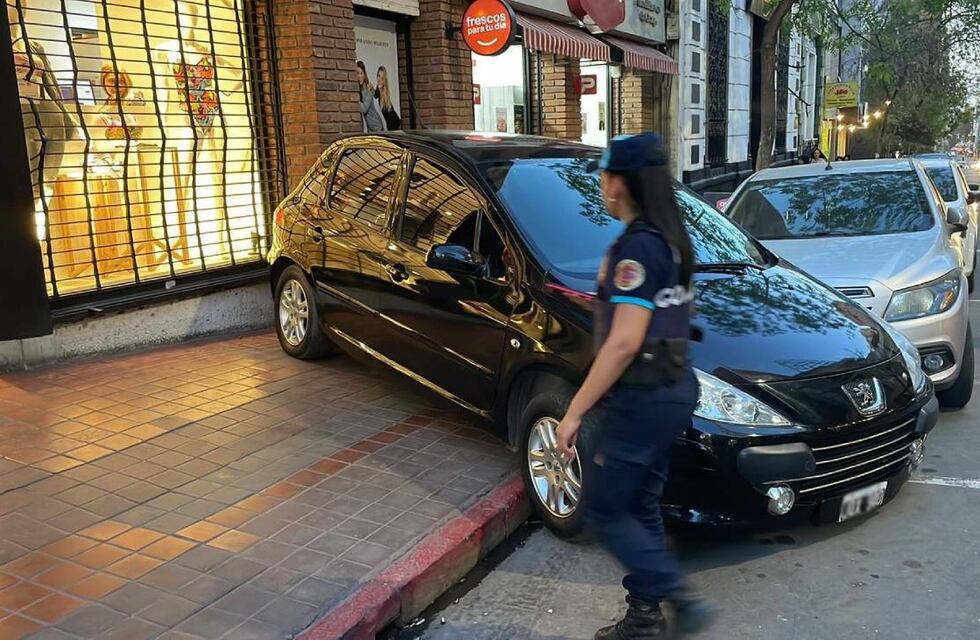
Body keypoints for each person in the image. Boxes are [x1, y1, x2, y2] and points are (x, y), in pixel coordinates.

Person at [556, 133, 716, 639]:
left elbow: (625, 343)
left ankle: (679, 595)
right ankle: (644, 618)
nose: (601, 184)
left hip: (643, 396)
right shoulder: (668, 238)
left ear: (620, 181)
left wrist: (575, 411)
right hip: (671, 388)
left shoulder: (640, 247)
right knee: (641, 502)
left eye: (605, 174)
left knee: (603, 508)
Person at [356, 61, 384, 132]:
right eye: (357, 73)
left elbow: (364, 109)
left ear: (365, 75)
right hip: (369, 130)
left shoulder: (369, 90)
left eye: (361, 73)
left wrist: (356, 101)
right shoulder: (358, 91)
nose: (359, 76)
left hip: (377, 129)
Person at [375, 65, 401, 131]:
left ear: (385, 80)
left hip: (394, 128)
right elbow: (375, 97)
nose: (379, 79)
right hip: (386, 130)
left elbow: (392, 117)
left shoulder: (386, 96)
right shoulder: (375, 93)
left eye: (382, 77)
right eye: (378, 76)